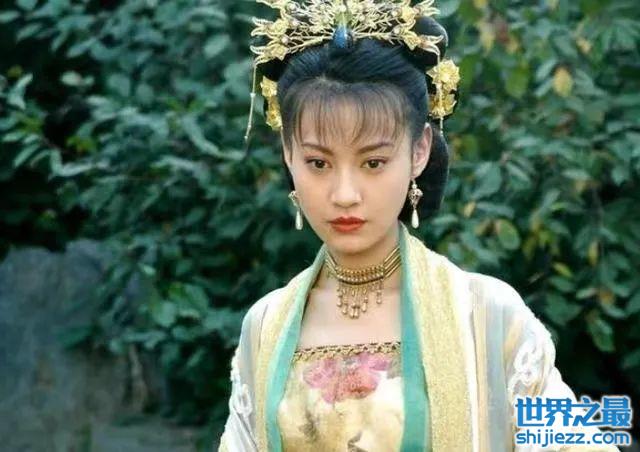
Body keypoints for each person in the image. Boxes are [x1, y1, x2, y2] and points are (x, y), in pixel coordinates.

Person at [218, 1, 622, 450]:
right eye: (318, 163)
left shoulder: (488, 316)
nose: (345, 194)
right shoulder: (266, 325)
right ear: (288, 155)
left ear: (419, 151)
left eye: (373, 162)